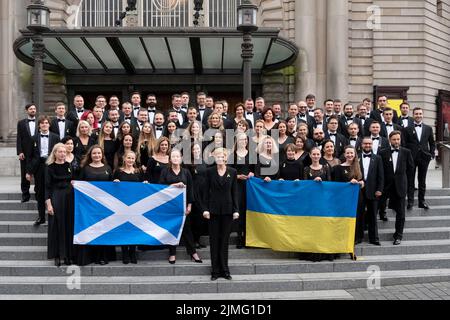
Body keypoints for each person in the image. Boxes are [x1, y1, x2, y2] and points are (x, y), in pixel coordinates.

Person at [202, 148, 239, 281]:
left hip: (228, 211)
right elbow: (205, 192)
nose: (219, 157)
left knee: (224, 241)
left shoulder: (233, 172)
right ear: (214, 157)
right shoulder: (209, 172)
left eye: (222, 156)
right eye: (217, 155)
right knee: (214, 241)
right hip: (213, 211)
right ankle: (215, 271)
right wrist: (205, 209)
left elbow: (234, 192)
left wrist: (236, 210)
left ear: (225, 158)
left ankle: (225, 270)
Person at [159, 149, 201, 264]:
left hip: (183, 206)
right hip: (170, 206)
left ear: (181, 158)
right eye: (173, 156)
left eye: (178, 156)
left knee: (187, 229)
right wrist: (174, 185)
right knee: (172, 229)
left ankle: (193, 252)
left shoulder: (186, 172)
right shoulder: (165, 171)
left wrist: (190, 205)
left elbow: (191, 189)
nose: (176, 158)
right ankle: (172, 253)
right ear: (170, 158)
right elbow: (161, 188)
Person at [77, 145, 115, 265]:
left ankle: (103, 256)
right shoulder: (85, 168)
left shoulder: (108, 168)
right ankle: (92, 256)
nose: (97, 155)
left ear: (102, 155)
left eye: (99, 153)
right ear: (90, 155)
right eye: (94, 153)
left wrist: (116, 183)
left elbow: (112, 186)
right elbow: (80, 185)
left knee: (104, 230)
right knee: (93, 230)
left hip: (105, 206)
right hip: (90, 206)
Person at [378, 131, 414, 245]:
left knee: (401, 213)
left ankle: (398, 235)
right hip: (385, 186)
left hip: (400, 186)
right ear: (389, 140)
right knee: (376, 208)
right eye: (394, 139)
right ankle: (372, 235)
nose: (396, 141)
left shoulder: (406, 152)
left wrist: (409, 188)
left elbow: (410, 171)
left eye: (398, 139)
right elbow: (380, 170)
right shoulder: (383, 152)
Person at [113, 151, 147, 264]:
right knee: (124, 229)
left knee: (134, 229)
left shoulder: (139, 171)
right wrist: (115, 182)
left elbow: (143, 186)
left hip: (135, 205)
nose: (130, 160)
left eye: (132, 158)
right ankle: (125, 253)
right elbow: (112, 189)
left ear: (135, 159)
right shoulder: (118, 172)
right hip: (122, 205)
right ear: (124, 158)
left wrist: (145, 183)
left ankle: (132, 252)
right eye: (128, 158)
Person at [26, 116, 60, 226]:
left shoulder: (56, 137)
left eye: (46, 123)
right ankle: (41, 217)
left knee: (53, 190)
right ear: (39, 125)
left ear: (49, 125)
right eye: (42, 123)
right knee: (40, 192)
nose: (44, 124)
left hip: (51, 165)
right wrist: (28, 171)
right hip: (39, 166)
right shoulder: (33, 138)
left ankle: (54, 215)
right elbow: (29, 156)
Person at [45, 143, 73, 266]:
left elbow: (72, 180)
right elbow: (47, 187)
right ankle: (57, 255)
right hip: (56, 197)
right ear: (55, 153)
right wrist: (48, 204)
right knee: (56, 226)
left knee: (68, 225)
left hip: (69, 198)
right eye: (60, 151)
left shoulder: (69, 165)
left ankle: (67, 255)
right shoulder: (49, 167)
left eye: (64, 152)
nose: (62, 154)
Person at [302, 147, 331, 261]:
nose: (315, 156)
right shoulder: (305, 169)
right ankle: (310, 252)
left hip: (323, 201)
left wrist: (321, 183)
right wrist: (312, 183)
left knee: (322, 226)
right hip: (310, 202)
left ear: (320, 155)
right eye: (313, 154)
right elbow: (304, 185)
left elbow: (330, 184)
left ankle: (323, 252)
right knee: (310, 227)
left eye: (317, 154)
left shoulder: (326, 168)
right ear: (310, 155)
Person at [332, 146, 365, 246]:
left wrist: (362, 183)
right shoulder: (338, 168)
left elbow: (362, 180)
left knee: (358, 215)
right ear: (344, 154)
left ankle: (357, 237)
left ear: (355, 154)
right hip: (344, 197)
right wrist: (348, 183)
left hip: (357, 196)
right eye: (348, 153)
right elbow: (336, 184)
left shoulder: (358, 166)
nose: (350, 155)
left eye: (352, 153)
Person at [404, 107, 436, 210]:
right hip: (411, 158)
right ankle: (410, 202)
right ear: (413, 115)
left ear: (423, 115)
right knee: (410, 180)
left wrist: (431, 154)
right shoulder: (407, 129)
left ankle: (422, 201)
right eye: (416, 114)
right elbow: (404, 144)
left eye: (420, 114)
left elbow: (432, 143)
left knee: (422, 181)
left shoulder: (428, 128)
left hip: (424, 157)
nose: (418, 115)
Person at [358, 137, 384, 246]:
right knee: (359, 214)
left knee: (373, 215)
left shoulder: (377, 158)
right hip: (359, 191)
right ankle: (358, 237)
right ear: (361, 145)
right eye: (365, 144)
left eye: (369, 144)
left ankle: (374, 238)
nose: (367, 145)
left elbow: (381, 175)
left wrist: (379, 189)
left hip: (373, 191)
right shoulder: (356, 157)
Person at [231, 133, 255, 249]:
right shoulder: (233, 155)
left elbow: (256, 169)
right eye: (241, 139)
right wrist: (237, 176)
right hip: (237, 186)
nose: (244, 141)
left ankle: (248, 238)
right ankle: (239, 238)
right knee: (239, 210)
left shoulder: (252, 154)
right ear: (237, 141)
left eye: (245, 139)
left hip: (249, 185)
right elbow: (229, 171)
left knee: (248, 210)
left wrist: (252, 173)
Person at [187, 143, 209, 249]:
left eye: (198, 149)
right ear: (191, 151)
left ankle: (198, 239)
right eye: (194, 149)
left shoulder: (204, 161)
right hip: (193, 192)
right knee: (194, 218)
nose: (196, 151)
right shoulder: (188, 163)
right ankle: (193, 241)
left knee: (201, 218)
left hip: (204, 192)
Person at [17, 104, 38, 203]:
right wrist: (20, 151)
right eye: (31, 109)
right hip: (25, 152)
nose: (33, 110)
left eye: (34, 109)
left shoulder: (40, 122)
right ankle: (25, 195)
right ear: (27, 110)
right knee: (24, 174)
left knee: (38, 173)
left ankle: (38, 193)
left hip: (37, 152)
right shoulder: (21, 123)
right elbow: (19, 138)